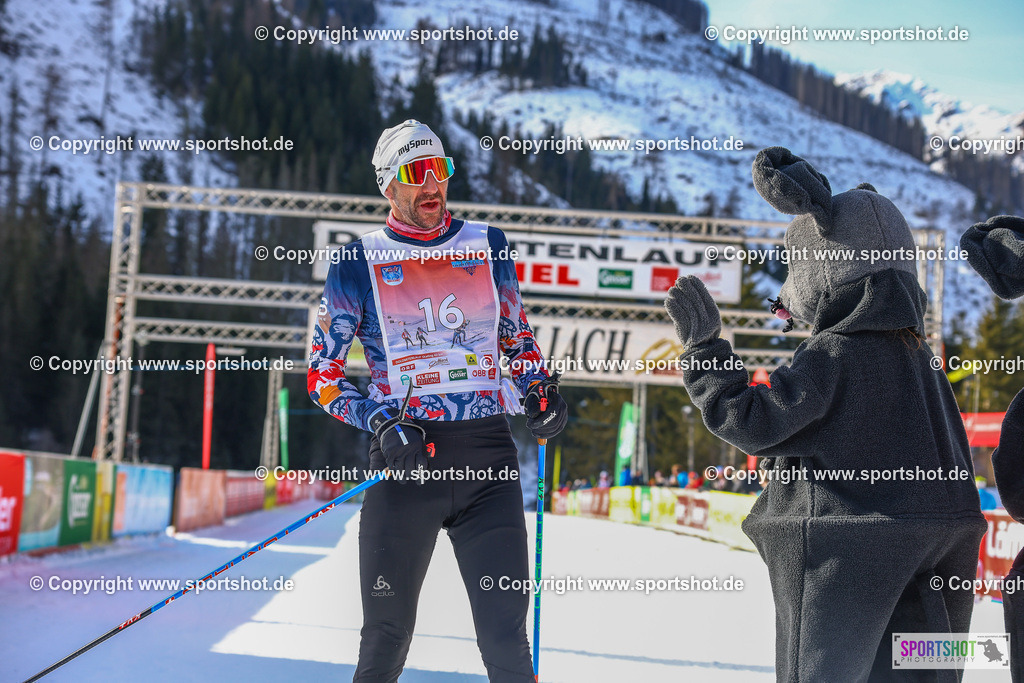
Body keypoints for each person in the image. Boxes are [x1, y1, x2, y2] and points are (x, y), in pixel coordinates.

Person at [666, 147, 984, 681]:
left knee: (821, 671)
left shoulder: (833, 353)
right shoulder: (921, 359)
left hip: (846, 550)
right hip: (939, 540)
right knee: (921, 671)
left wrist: (705, 355)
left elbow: (752, 422)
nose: (787, 296)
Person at [308, 119, 568, 682]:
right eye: (416, 172)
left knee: (505, 639)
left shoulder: (488, 246)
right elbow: (322, 375)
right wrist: (379, 424)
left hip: (487, 462)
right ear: (389, 186)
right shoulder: (356, 264)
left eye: (441, 169)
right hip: (407, 464)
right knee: (384, 641)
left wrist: (540, 390)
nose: (433, 184)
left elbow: (515, 339)